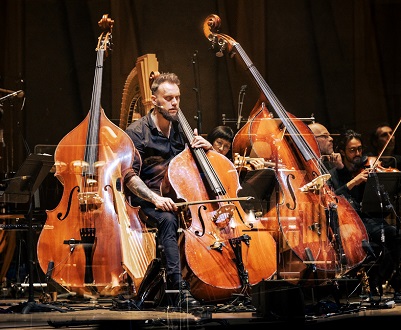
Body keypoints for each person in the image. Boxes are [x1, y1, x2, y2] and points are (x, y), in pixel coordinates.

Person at [123, 72, 212, 308]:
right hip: (147, 201)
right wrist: (155, 198)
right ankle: (178, 290)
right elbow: (129, 176)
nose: (175, 103)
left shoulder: (181, 129)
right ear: (155, 101)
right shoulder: (137, 132)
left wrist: (207, 150)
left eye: (178, 98)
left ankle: (208, 280)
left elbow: (194, 166)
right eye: (169, 98)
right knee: (168, 220)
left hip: (178, 197)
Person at [327, 129, 401, 298]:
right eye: (352, 150)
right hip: (352, 224)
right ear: (343, 152)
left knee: (396, 235)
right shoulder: (335, 174)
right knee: (385, 245)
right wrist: (353, 182)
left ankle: (394, 282)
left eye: (359, 149)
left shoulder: (367, 167)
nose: (358, 154)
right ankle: (375, 285)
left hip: (372, 219)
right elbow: (333, 198)